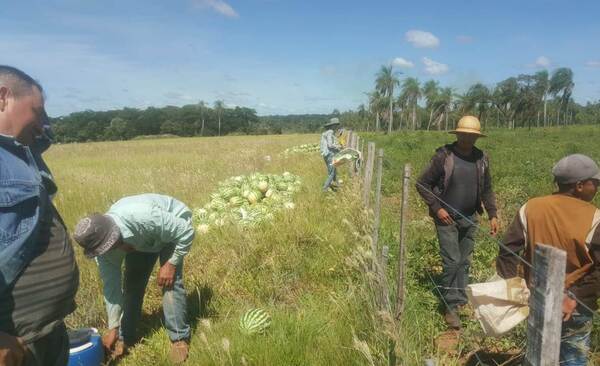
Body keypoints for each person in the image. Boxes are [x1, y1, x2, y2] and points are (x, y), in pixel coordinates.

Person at [0, 65, 79, 366]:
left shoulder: (24, 152)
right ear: (2, 97)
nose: (42, 122)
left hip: (45, 329)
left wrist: (36, 119)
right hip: (13, 342)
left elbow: (45, 135)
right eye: (37, 110)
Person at [496, 154, 600, 366]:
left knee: (538, 353)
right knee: (572, 357)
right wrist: (575, 297)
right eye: (595, 183)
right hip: (576, 305)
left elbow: (507, 251)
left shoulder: (531, 207)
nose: (597, 188)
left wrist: (515, 289)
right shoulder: (595, 217)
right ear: (579, 186)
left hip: (538, 297)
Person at [73, 194, 195, 364]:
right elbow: (112, 288)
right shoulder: (103, 254)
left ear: (114, 231)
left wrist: (171, 263)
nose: (113, 249)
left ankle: (179, 339)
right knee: (132, 286)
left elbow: (185, 231)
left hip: (172, 230)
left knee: (170, 283)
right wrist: (113, 327)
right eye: (107, 248)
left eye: (113, 243)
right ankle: (126, 338)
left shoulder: (143, 216)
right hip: (142, 240)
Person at [416, 115, 498, 329]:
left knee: (464, 261)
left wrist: (493, 214)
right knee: (452, 261)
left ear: (476, 137)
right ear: (457, 134)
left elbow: (487, 188)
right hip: (446, 218)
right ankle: (450, 307)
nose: (467, 138)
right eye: (464, 134)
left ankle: (460, 301)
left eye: (472, 136)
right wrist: (437, 208)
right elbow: (422, 183)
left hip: (470, 217)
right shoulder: (444, 156)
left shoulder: (481, 158)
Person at [320, 117, 342, 192]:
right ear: (333, 125)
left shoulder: (328, 132)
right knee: (331, 173)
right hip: (330, 155)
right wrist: (338, 147)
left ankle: (338, 185)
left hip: (327, 155)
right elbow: (330, 145)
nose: (336, 127)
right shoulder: (330, 132)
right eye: (336, 125)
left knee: (334, 170)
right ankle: (325, 189)